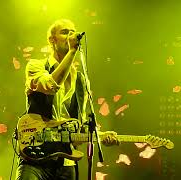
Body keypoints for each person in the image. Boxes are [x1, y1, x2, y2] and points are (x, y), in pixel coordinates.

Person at [15, 19, 118, 180]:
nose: (70, 35)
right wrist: (72, 51)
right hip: (35, 158)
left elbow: (80, 125)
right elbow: (50, 85)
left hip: (66, 163)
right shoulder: (36, 66)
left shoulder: (80, 80)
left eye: (72, 32)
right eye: (64, 32)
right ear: (52, 40)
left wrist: (100, 136)